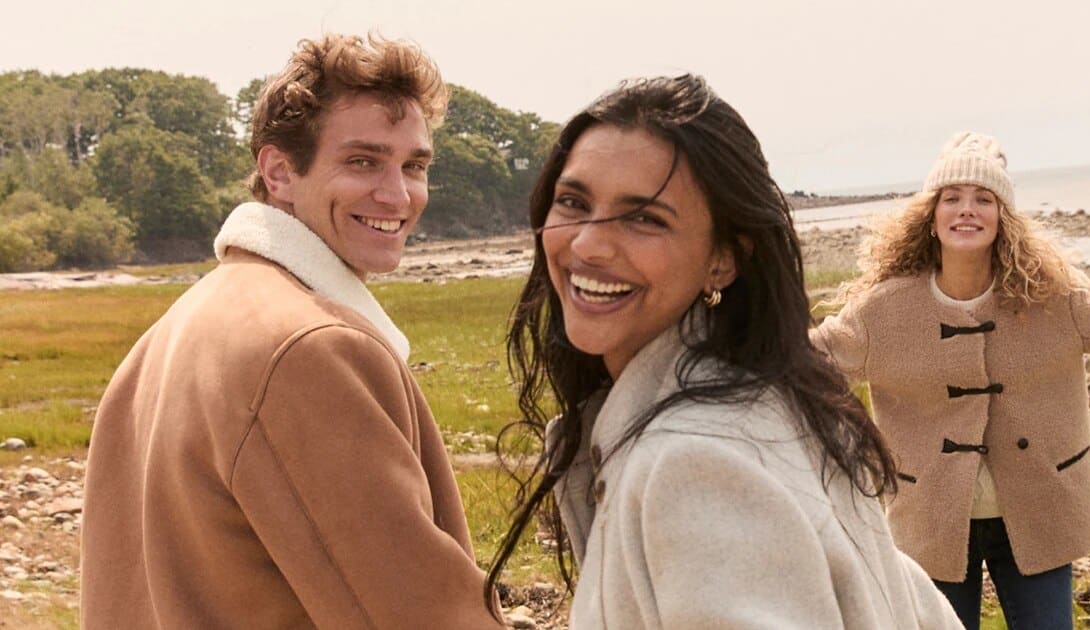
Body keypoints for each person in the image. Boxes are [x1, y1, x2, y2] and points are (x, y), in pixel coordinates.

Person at [485, 75, 963, 628]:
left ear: (724, 260)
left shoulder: (694, 465)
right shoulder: (779, 403)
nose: (587, 243)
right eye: (573, 202)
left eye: (644, 218)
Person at [80, 34, 501, 629]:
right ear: (278, 171)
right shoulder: (310, 350)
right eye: (363, 161)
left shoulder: (174, 329)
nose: (398, 194)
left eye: (415, 166)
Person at [812, 131, 1090, 629]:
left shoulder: (1051, 297)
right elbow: (801, 363)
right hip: (930, 517)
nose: (966, 210)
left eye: (983, 198)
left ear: (1003, 218)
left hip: (1040, 509)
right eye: (952, 198)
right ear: (931, 217)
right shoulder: (882, 313)